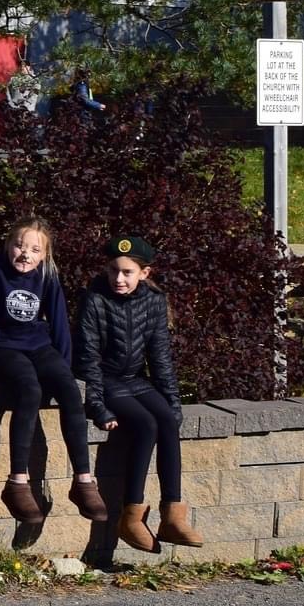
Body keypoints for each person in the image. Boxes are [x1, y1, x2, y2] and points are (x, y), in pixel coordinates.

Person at [0, 216, 108, 526]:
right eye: (19, 246)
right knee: (28, 388)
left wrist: (63, 366)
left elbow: (59, 321)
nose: (25, 254)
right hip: (1, 348)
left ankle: (83, 480)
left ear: (43, 255)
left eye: (34, 249)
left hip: (37, 345)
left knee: (70, 390)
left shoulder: (46, 277)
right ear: (8, 246)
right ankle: (18, 482)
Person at [78, 235, 204, 553]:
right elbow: (87, 358)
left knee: (166, 419)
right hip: (107, 381)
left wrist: (173, 402)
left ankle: (172, 515)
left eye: (127, 272)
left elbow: (160, 356)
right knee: (146, 425)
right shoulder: (94, 299)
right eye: (113, 271)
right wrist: (97, 406)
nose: (118, 278)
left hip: (136, 380)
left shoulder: (153, 301)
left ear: (144, 273)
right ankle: (131, 516)